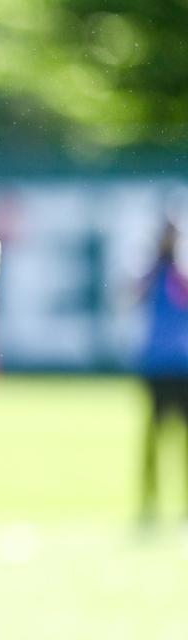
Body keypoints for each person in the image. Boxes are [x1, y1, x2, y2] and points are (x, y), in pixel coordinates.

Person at [137, 198, 188, 523]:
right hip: (158, 365)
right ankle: (149, 502)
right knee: (153, 440)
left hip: (180, 366)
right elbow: (132, 295)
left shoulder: (179, 272)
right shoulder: (153, 271)